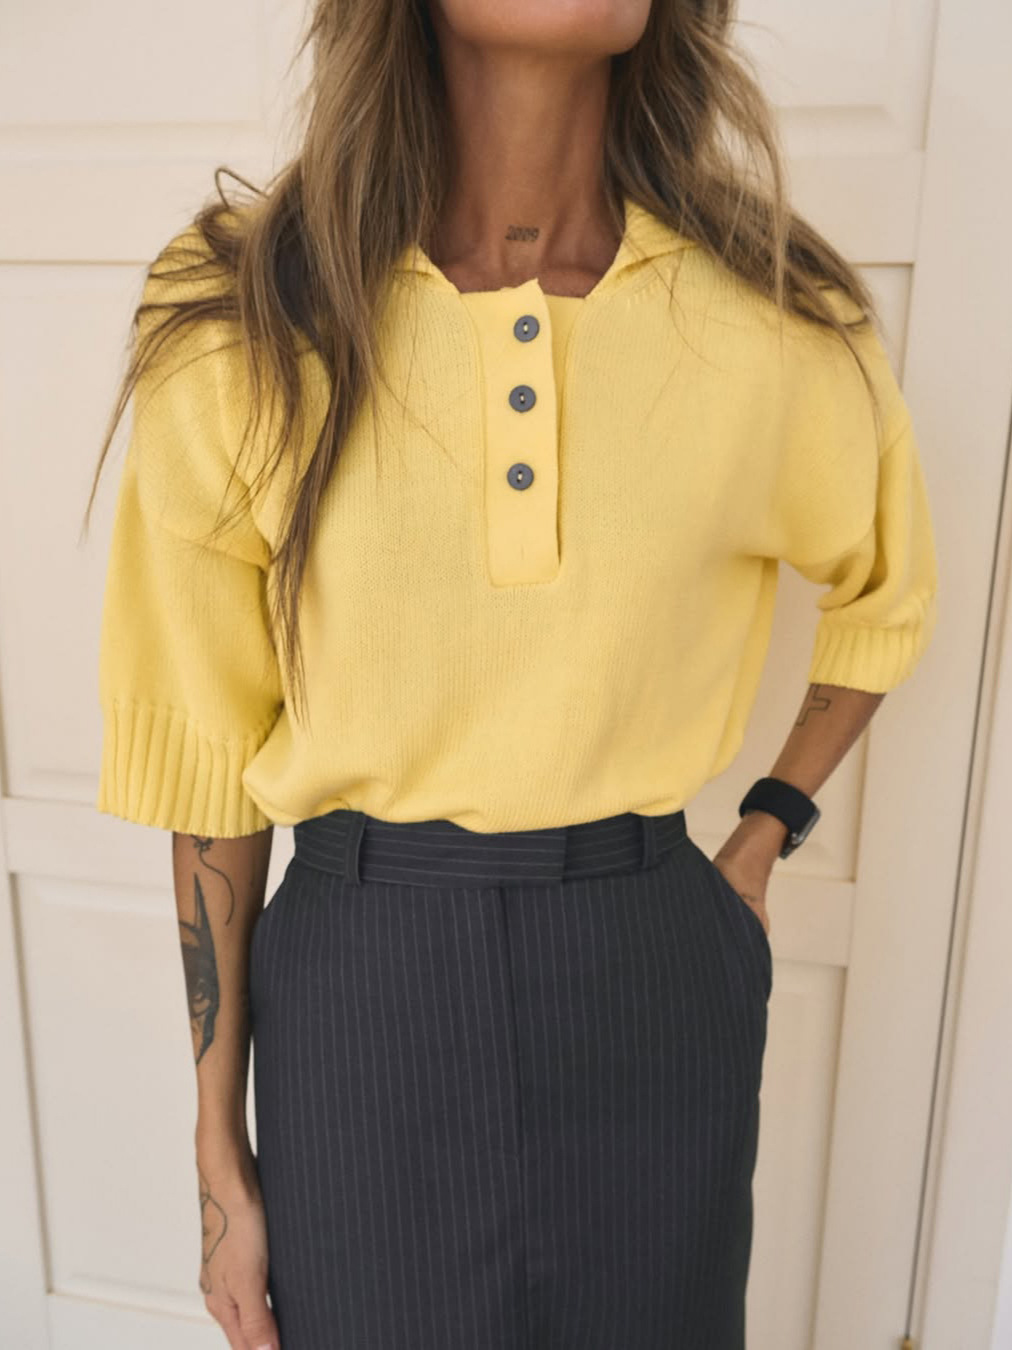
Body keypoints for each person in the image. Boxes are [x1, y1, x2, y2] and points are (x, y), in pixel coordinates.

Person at [83, 0, 939, 1347]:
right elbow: (210, 757)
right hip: (362, 987)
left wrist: (767, 831)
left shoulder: (766, 317)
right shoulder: (253, 311)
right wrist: (216, 1151)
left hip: (650, 970)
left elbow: (886, 588)